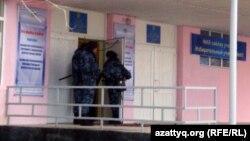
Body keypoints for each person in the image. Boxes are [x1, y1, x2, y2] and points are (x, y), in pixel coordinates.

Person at [72, 41, 100, 125]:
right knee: (87, 98)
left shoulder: (76, 54)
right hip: (88, 81)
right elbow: (93, 69)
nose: (96, 51)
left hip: (77, 80)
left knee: (78, 98)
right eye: (96, 49)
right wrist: (97, 74)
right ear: (93, 48)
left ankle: (77, 118)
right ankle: (84, 118)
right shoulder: (89, 55)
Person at [101, 51, 131, 125]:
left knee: (113, 102)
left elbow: (105, 74)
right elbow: (128, 75)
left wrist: (112, 79)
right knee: (116, 101)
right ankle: (116, 118)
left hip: (111, 86)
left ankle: (115, 119)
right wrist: (121, 79)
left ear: (108, 56)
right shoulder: (119, 64)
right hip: (118, 86)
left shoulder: (108, 64)